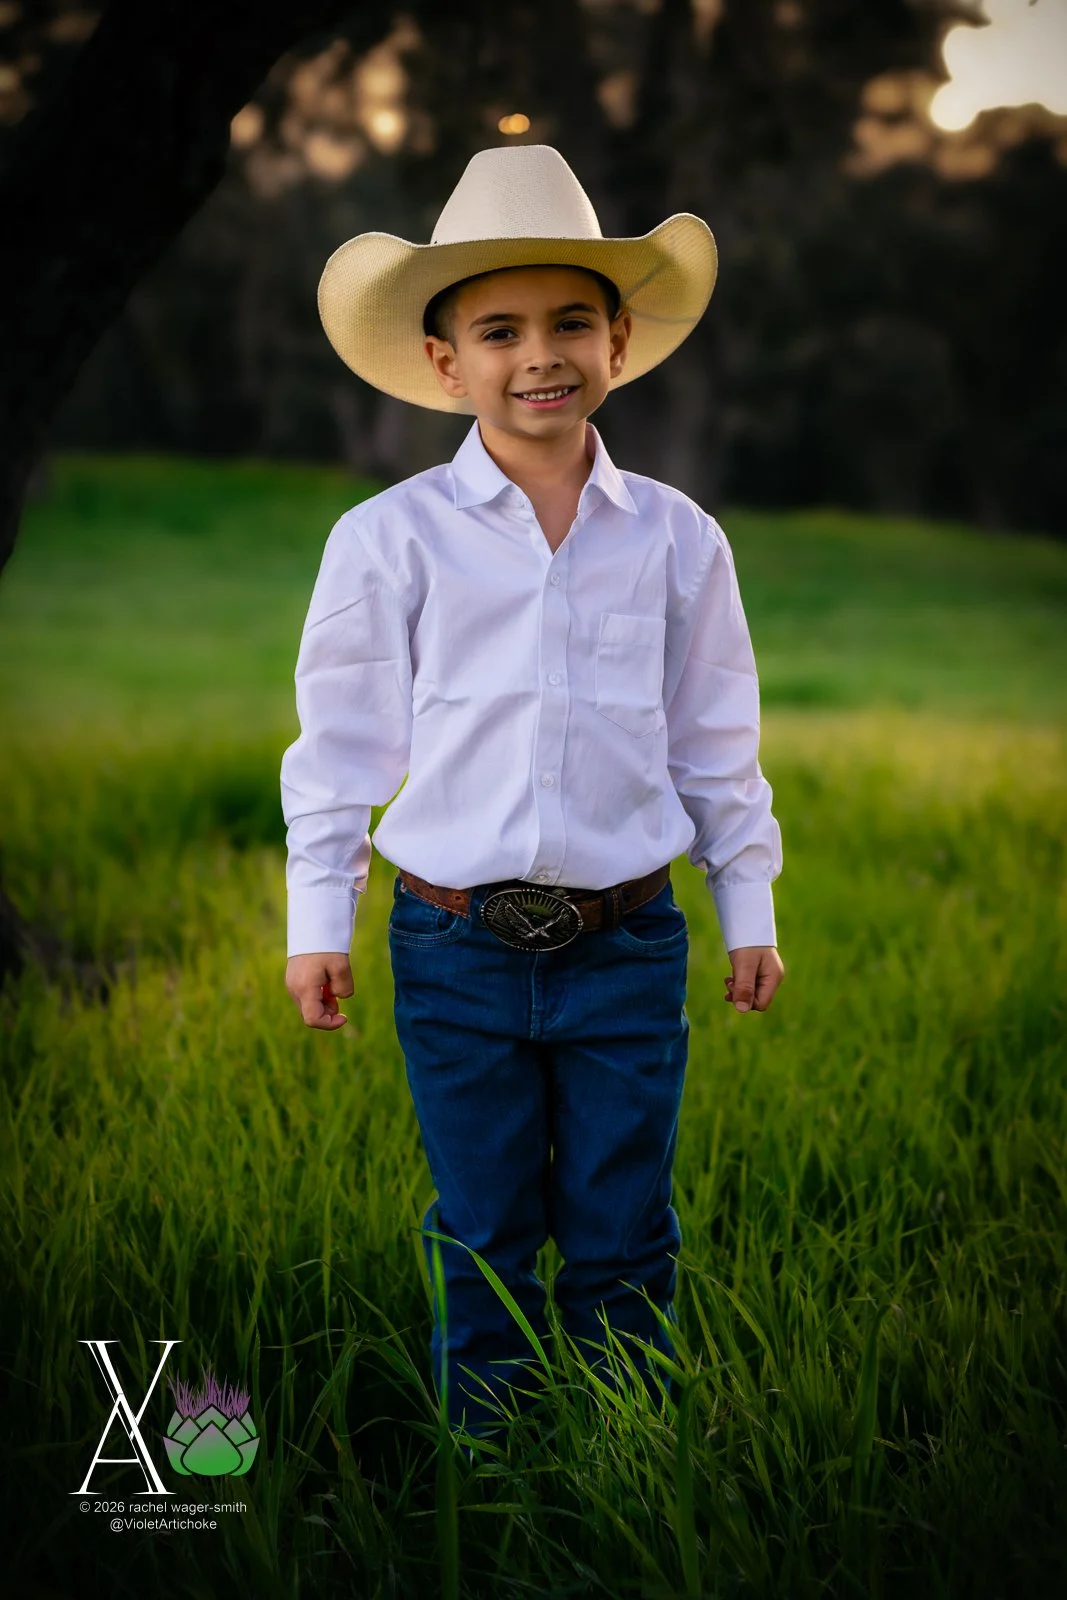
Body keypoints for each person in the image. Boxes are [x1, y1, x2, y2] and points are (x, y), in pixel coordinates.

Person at [281, 145, 785, 1446]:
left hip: (627, 939)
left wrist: (749, 905)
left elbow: (713, 738)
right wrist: (316, 924)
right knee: (485, 1233)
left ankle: (621, 1472)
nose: (538, 354)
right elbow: (337, 749)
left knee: (624, 1233)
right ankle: (491, 1483)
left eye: (571, 321)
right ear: (445, 363)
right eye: (497, 329)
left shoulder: (677, 537)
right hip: (451, 941)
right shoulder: (387, 538)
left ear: (620, 338)